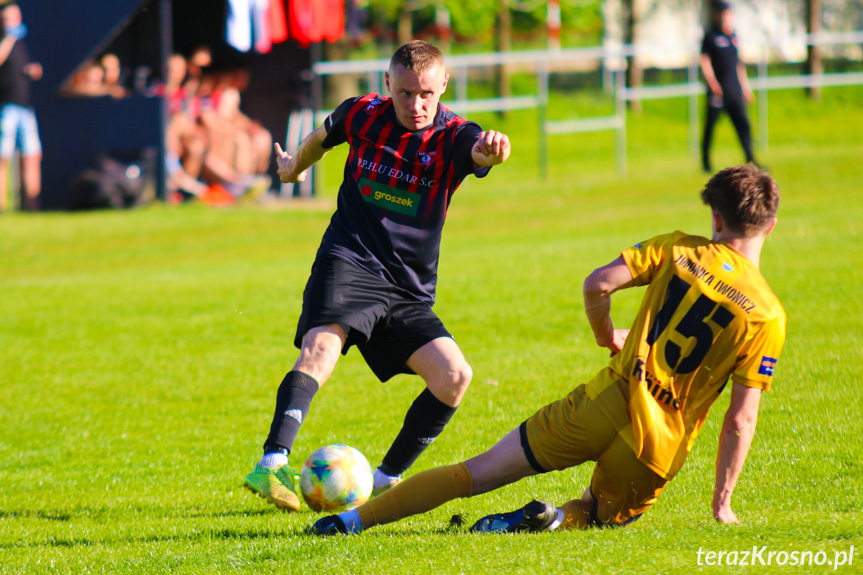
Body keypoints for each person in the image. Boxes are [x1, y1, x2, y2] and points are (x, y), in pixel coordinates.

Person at [311, 164, 786, 535]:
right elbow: (740, 419)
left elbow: (599, 284)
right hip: (654, 447)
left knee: (474, 472)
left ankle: (350, 522)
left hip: (602, 402)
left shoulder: (680, 249)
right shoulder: (767, 315)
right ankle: (553, 517)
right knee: (600, 515)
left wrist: (606, 335)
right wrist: (722, 502)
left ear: (717, 218)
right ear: (770, 227)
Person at [243, 40, 511, 512]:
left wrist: (493, 150)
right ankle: (272, 462)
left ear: (443, 85)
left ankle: (387, 480)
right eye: (406, 93)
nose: (416, 104)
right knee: (321, 348)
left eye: (427, 93)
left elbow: (480, 153)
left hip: (407, 286)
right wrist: (291, 170)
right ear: (387, 85)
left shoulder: (453, 136)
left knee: (454, 376)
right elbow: (320, 140)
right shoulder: (363, 114)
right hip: (350, 257)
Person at [700, 1, 757, 173]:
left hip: (734, 90)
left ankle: (751, 159)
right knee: (710, 128)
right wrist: (712, 83)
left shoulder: (733, 36)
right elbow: (704, 61)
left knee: (743, 125)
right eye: (722, 13)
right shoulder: (710, 36)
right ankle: (706, 163)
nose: (725, 17)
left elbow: (739, 64)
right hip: (717, 92)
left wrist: (746, 87)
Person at [0, 1, 41, 212]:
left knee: (32, 155)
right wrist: (9, 37)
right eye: (8, 18)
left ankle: (32, 205)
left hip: (25, 107)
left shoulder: (22, 42)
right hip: (5, 107)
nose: (13, 22)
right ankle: (2, 206)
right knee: (2, 157)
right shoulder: (6, 39)